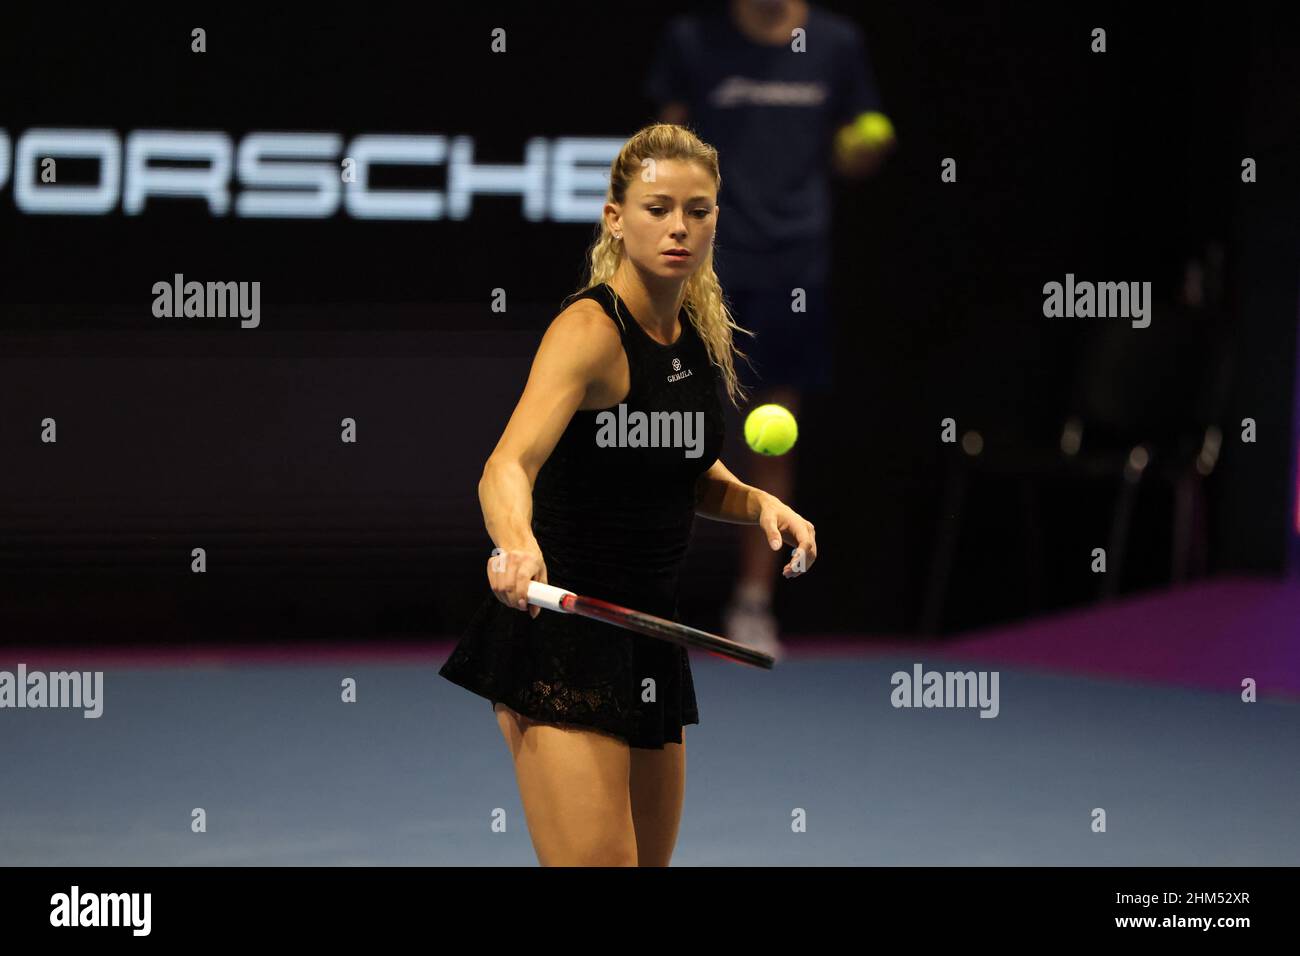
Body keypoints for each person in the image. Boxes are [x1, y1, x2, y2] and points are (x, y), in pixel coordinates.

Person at [438, 124, 818, 866]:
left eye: (698, 210)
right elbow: (507, 464)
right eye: (657, 207)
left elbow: (686, 470)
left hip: (649, 636)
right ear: (616, 217)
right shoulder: (588, 331)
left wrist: (758, 502)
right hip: (561, 639)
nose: (679, 226)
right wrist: (517, 543)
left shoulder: (700, 339)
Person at [645, 0, 893, 659]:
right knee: (665, 425)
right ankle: (644, 594)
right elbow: (662, 153)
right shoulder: (692, 38)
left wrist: (863, 145)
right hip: (702, 260)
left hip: (795, 264)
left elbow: (862, 142)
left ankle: (753, 605)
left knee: (774, 433)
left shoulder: (838, 43)